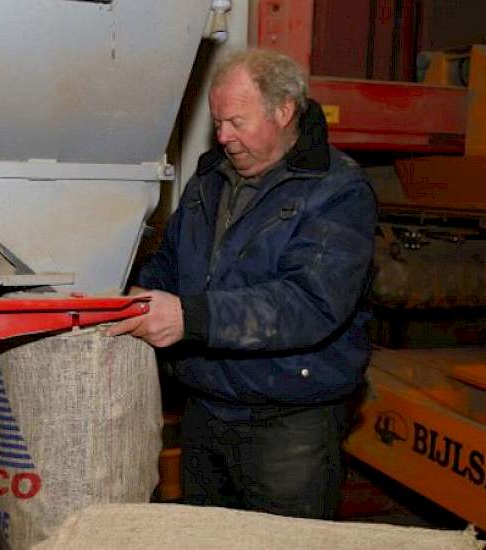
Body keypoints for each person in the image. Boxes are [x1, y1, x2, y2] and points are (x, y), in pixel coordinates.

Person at [107, 49, 377, 519]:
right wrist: (131, 297)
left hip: (288, 424)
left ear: (284, 111)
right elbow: (173, 261)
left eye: (237, 121)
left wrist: (190, 317)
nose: (224, 137)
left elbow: (308, 304)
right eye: (218, 123)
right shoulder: (210, 178)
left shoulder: (337, 190)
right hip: (205, 411)